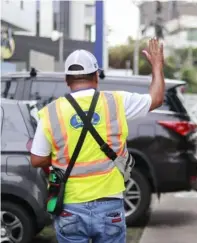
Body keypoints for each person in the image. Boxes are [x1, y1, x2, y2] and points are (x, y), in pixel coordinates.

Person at [30, 38, 165, 243]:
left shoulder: (50, 113)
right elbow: (156, 99)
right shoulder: (117, 102)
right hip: (109, 205)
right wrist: (157, 66)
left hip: (70, 207)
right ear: (96, 76)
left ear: (67, 80)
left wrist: (59, 159)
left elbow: (37, 159)